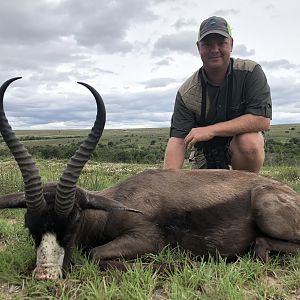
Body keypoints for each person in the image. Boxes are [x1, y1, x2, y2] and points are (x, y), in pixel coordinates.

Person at [163, 16, 272, 172]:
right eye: (207, 44)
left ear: (231, 44)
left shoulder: (250, 72)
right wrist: (167, 184)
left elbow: (261, 120)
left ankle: (243, 191)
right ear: (198, 47)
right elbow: (178, 141)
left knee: (250, 142)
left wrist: (210, 130)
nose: (214, 50)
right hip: (205, 155)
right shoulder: (187, 92)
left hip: (240, 151)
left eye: (221, 43)